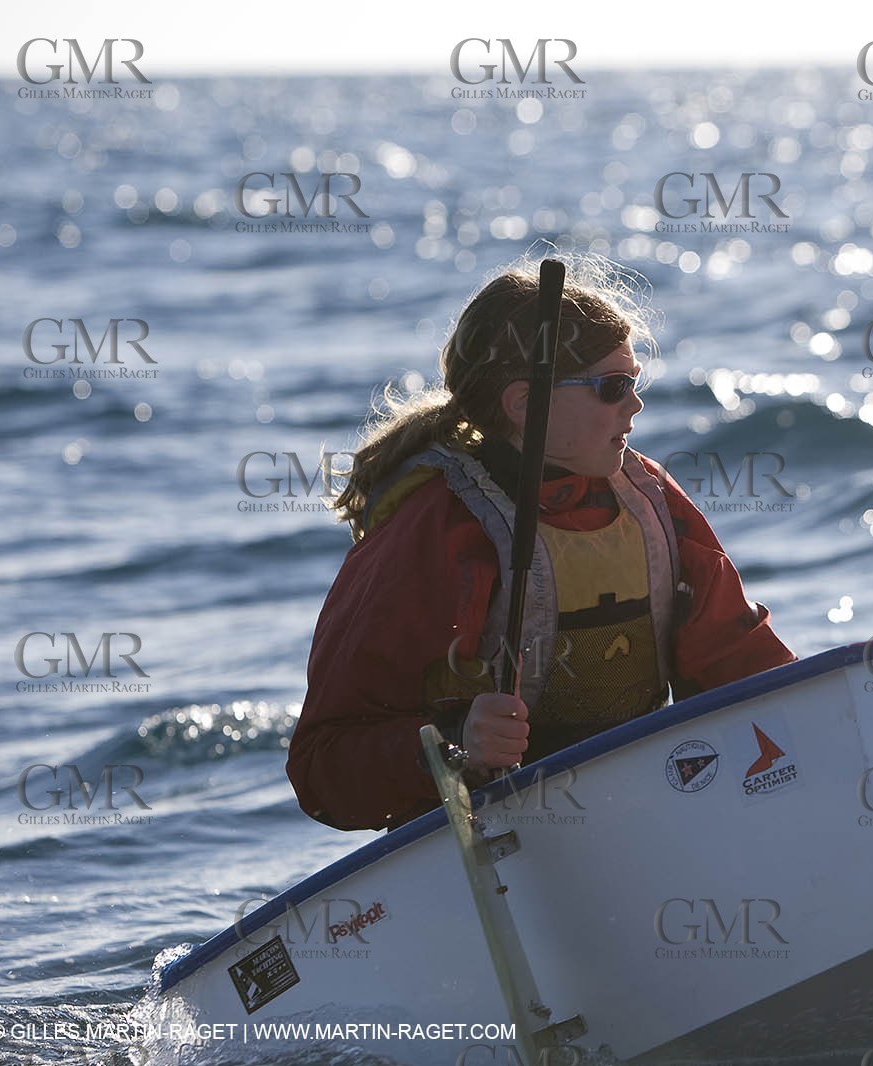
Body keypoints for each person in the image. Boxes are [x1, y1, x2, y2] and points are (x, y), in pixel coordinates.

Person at [286, 256, 796, 831]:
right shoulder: (430, 532)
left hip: (644, 815)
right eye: (612, 387)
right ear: (525, 405)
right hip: (486, 843)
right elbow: (320, 768)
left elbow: (746, 672)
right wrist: (453, 746)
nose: (635, 405)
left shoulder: (650, 499)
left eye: (635, 382)